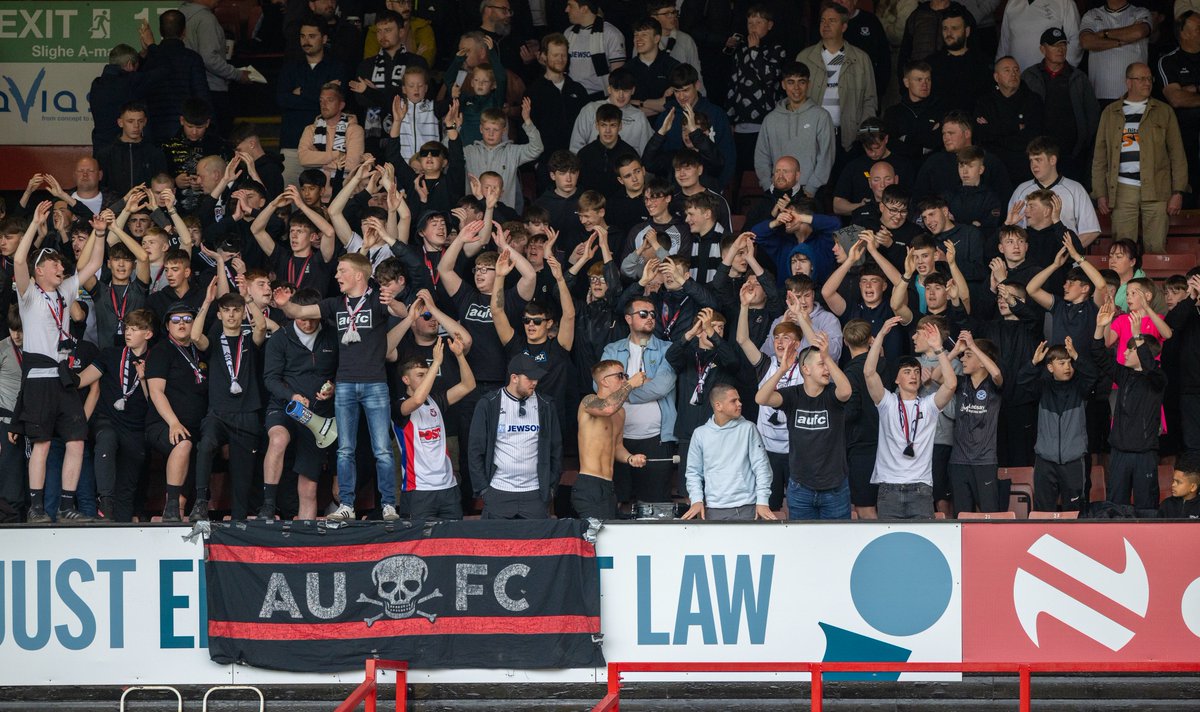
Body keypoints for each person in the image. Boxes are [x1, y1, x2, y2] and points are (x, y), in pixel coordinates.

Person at [278, 253, 409, 522]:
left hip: (375, 384)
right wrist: (284, 305)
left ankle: (388, 504)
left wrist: (393, 301)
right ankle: (346, 504)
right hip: (345, 385)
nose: (336, 275)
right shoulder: (335, 304)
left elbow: (403, 313)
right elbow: (299, 312)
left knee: (382, 449)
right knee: (345, 449)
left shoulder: (377, 299)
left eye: (342, 271)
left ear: (358, 275)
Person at [13, 202, 105, 523]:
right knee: (41, 444)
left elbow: (94, 262)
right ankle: (36, 508)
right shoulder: (28, 295)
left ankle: (67, 506)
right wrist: (34, 224)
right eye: (53, 262)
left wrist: (100, 234)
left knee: (77, 441)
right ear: (39, 271)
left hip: (64, 379)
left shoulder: (65, 291)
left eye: (60, 263)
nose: (59, 266)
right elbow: (19, 259)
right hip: (39, 379)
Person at [755, 327, 853, 519]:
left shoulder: (832, 394)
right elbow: (761, 398)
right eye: (821, 364)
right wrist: (782, 370)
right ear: (806, 369)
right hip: (801, 488)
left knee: (838, 538)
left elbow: (846, 391)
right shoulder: (793, 395)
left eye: (827, 364)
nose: (827, 369)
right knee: (802, 539)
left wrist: (827, 357)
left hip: (834, 488)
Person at [864, 317, 958, 519]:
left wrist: (939, 349)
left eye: (916, 371)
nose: (914, 376)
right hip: (889, 487)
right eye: (907, 372)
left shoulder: (928, 405)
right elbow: (869, 372)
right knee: (890, 540)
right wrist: (881, 335)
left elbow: (950, 385)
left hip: (921, 489)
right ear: (896, 379)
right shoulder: (887, 402)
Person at [1092, 63, 1189, 255]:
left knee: (1156, 248)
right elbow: (1100, 157)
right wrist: (1100, 193)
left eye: (1149, 78)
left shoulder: (1163, 111)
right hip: (1122, 188)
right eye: (1141, 79)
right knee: (1122, 250)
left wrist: (1178, 192)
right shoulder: (1110, 112)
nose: (1147, 83)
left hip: (1157, 187)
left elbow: (1177, 154)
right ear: (1128, 83)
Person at [261, 288, 337, 521]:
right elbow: (270, 379)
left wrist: (333, 387)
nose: (308, 323)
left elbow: (344, 370)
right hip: (285, 406)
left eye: (313, 319)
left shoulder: (333, 335)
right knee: (278, 439)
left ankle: (306, 533)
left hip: (318, 415)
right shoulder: (280, 338)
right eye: (302, 318)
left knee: (308, 487)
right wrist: (292, 395)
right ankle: (268, 505)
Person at [601, 298, 679, 506]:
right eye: (643, 314)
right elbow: (601, 388)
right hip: (618, 438)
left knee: (656, 505)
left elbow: (662, 387)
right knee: (617, 504)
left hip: (657, 439)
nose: (650, 317)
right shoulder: (612, 350)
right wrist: (634, 384)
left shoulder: (667, 349)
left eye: (653, 314)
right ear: (628, 319)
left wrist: (624, 389)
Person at [1092, 300, 1167, 510]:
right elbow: (1098, 355)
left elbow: (1150, 368)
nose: (1124, 352)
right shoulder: (1123, 374)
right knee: (1116, 508)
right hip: (1119, 452)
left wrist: (1138, 336)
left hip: (1145, 454)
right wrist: (1100, 327)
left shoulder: (1158, 378)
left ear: (1144, 352)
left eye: (1129, 350)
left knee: (1146, 508)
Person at [468, 354, 563, 519]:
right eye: (530, 378)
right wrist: (483, 489)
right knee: (495, 537)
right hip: (498, 491)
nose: (535, 382)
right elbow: (475, 449)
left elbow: (556, 448)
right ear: (514, 378)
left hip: (535, 493)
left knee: (537, 537)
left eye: (537, 378)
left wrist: (550, 487)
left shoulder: (546, 404)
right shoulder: (489, 403)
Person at [394, 332, 476, 520]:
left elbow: (468, 385)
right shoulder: (399, 405)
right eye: (420, 375)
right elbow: (417, 400)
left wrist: (460, 356)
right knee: (420, 538)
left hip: (448, 487)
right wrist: (436, 363)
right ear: (406, 380)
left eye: (427, 374)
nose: (426, 378)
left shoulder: (436, 401)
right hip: (418, 490)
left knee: (453, 536)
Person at [1018, 338, 1096, 512]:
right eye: (1062, 363)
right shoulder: (1044, 387)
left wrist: (1077, 356)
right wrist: (1033, 363)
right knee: (1043, 512)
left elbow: (1092, 375)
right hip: (1045, 460)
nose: (1068, 367)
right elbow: (1022, 381)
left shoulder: (1080, 387)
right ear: (1050, 367)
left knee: (1075, 512)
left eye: (1070, 362)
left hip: (1073, 461)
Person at [681, 383, 776, 521]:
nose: (740, 404)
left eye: (739, 400)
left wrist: (762, 500)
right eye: (733, 401)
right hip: (713, 508)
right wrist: (696, 500)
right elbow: (693, 472)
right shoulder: (700, 434)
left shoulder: (749, 428)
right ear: (718, 406)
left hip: (747, 507)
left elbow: (762, 468)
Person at [277, 17, 351, 187]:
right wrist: (321, 92)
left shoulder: (337, 67)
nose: (306, 41)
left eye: (312, 36)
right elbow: (282, 100)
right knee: (289, 196)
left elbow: (337, 103)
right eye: (302, 36)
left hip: (328, 146)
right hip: (292, 142)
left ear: (324, 39)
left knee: (327, 196)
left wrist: (301, 92)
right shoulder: (290, 67)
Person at [797, 3, 879, 155]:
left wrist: (863, 133)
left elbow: (869, 100)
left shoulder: (861, 59)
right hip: (812, 135)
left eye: (832, 20)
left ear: (844, 27)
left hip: (849, 137)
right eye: (823, 20)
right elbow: (795, 97)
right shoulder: (804, 58)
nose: (826, 25)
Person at [1021, 29, 1099, 184]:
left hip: (1072, 154)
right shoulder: (1029, 76)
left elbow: (1092, 115)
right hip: (1039, 154)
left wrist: (1082, 144)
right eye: (1055, 45)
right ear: (1042, 49)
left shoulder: (1079, 77)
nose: (1060, 49)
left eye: (1063, 45)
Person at [574, 360, 648, 520]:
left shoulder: (620, 412)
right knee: (597, 533)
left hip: (608, 485)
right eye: (620, 376)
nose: (624, 379)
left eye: (626, 376)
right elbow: (607, 408)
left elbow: (617, 446)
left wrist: (630, 458)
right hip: (589, 483)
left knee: (610, 532)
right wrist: (630, 384)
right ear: (604, 381)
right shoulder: (588, 401)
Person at [945, 330, 1004, 515]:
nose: (962, 359)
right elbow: (937, 377)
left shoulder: (992, 384)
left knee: (990, 515)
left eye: (968, 356)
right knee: (961, 516)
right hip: (958, 461)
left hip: (985, 461)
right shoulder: (960, 383)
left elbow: (996, 373)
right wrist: (955, 351)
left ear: (982, 361)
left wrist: (972, 346)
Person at [754, 62, 835, 197]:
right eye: (790, 82)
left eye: (801, 82)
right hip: (777, 190)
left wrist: (811, 189)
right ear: (783, 85)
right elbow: (761, 156)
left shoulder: (821, 116)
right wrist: (768, 186)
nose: (796, 88)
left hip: (810, 192)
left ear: (808, 84)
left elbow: (826, 157)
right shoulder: (770, 119)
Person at [1007, 136, 1101, 246]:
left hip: (1065, 255)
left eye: (1038, 160)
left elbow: (1091, 231)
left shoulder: (1075, 189)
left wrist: (1068, 252)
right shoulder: (1021, 190)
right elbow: (1011, 231)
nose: (1033, 165)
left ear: (1052, 160)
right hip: (1029, 255)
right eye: (1031, 160)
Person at [179, 0, 251, 130]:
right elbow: (209, 59)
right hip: (213, 89)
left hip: (189, 87)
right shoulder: (207, 19)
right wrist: (237, 74)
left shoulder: (180, 14)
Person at [974, 56, 1045, 183]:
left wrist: (995, 130)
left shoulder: (1033, 100)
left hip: (1023, 166)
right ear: (996, 77)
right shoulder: (985, 102)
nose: (1013, 74)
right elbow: (981, 134)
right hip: (992, 167)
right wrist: (1015, 127)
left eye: (1016, 70)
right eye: (1007, 70)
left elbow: (1032, 137)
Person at [298, 83, 366, 195]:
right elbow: (303, 159)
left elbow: (352, 164)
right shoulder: (310, 129)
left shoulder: (355, 130)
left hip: (346, 195)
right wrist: (337, 154)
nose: (324, 104)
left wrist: (317, 161)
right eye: (321, 100)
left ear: (341, 105)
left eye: (330, 100)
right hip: (315, 196)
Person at [1079, 0, 1152, 104]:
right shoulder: (1092, 14)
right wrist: (1122, 41)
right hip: (1100, 94)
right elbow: (1086, 42)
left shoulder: (1140, 12)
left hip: (1135, 96)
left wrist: (1104, 33)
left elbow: (1138, 32)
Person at [95, 103, 170, 195]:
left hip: (147, 203)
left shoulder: (155, 154)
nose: (136, 126)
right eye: (130, 121)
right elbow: (100, 187)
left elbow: (162, 186)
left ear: (145, 122)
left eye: (140, 121)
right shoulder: (105, 155)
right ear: (120, 123)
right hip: (114, 204)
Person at [563, 0, 626, 98]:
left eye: (570, 6)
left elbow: (618, 75)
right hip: (571, 95)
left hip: (600, 96)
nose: (566, 10)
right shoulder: (568, 33)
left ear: (584, 9)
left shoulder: (611, 34)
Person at [997, 0, 1082, 71]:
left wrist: (1061, 72)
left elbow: (1076, 40)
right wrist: (1000, 70)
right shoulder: (1012, 3)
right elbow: (1005, 43)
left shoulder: (1064, 2)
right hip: (1016, 78)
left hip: (1049, 78)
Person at [1159, 453, 1200, 518]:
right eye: (1173, 480)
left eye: (1178, 482)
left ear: (1193, 487)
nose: (1173, 485)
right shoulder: (1166, 504)